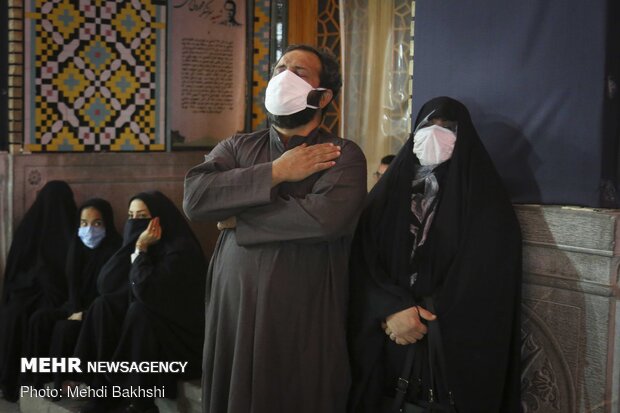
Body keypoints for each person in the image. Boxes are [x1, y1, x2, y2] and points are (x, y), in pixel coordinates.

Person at [183, 44, 367, 413]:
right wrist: (276, 172)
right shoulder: (237, 146)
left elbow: (323, 219)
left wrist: (240, 219)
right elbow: (196, 198)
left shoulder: (341, 154)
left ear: (323, 94)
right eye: (280, 68)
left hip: (304, 302)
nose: (283, 76)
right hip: (234, 303)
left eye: (298, 72)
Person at [347, 97, 521, 413]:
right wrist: (391, 308)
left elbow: (487, 276)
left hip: (443, 346)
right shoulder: (388, 194)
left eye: (448, 128)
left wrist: (422, 314)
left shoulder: (485, 201)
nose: (435, 134)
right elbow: (362, 259)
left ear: (464, 136)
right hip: (386, 336)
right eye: (429, 125)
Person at [74, 191, 206, 413]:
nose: (134, 222)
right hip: (151, 335)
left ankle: (140, 402)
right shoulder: (143, 243)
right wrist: (133, 247)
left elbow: (145, 290)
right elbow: (106, 285)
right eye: (131, 216)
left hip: (181, 344)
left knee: (140, 312)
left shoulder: (180, 250)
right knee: (103, 306)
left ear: (159, 219)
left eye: (142, 216)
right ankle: (103, 391)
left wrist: (140, 251)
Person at [22, 198, 122, 391]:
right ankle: (36, 380)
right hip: (74, 305)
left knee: (64, 328)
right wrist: (74, 308)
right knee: (39, 319)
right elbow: (73, 289)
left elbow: (113, 296)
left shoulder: (115, 250)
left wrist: (83, 313)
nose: (89, 230)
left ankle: (63, 383)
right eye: (84, 223)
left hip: (98, 312)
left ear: (107, 223)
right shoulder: (76, 247)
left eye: (97, 223)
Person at [0, 180, 77, 402]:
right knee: (15, 315)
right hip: (27, 291)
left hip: (60, 296)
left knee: (42, 317)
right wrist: (37, 278)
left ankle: (35, 380)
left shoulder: (75, 229)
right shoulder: (29, 230)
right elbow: (15, 273)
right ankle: (13, 382)